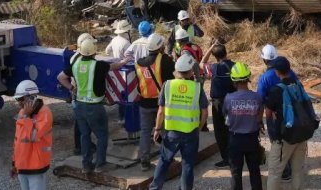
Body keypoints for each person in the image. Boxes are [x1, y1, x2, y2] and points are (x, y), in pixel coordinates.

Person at [57, 38, 130, 172]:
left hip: (79, 105)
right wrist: (125, 61)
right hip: (94, 107)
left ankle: (86, 165)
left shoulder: (76, 64)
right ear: (94, 52)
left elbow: (60, 77)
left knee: (84, 135)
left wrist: (71, 88)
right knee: (102, 135)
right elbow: (115, 66)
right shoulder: (98, 65)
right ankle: (101, 164)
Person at [149, 53, 209, 190]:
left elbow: (161, 111)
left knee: (164, 161)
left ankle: (155, 188)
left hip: (171, 133)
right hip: (191, 133)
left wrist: (157, 129)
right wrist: (199, 128)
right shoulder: (197, 88)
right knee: (187, 165)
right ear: (190, 71)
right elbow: (205, 112)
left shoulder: (168, 85)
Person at [265, 57, 317, 190]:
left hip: (285, 138)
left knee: (275, 172)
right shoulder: (299, 85)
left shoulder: (276, 90)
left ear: (277, 72)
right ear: (289, 69)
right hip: (302, 134)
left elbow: (268, 113)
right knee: (297, 170)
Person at [134, 33, 175, 171]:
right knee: (165, 132)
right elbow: (172, 79)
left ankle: (144, 162)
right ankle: (168, 159)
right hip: (161, 105)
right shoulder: (165, 60)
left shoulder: (138, 63)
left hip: (144, 104)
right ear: (160, 47)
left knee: (145, 133)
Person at [256, 44, 297, 181]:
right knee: (289, 139)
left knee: (277, 143)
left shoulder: (264, 78)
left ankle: (285, 172)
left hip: (273, 116)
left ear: (264, 60)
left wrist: (259, 120)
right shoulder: (290, 72)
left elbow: (260, 101)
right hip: (291, 113)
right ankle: (292, 167)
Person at [224, 62, 264, 190]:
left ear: (233, 81)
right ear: (248, 79)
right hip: (252, 139)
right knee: (254, 170)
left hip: (235, 139)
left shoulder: (228, 98)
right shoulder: (256, 97)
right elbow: (259, 114)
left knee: (236, 173)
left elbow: (225, 114)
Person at [10, 80, 53, 190]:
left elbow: (33, 136)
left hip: (36, 167)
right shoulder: (23, 112)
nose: (19, 103)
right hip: (22, 166)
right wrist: (14, 163)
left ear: (31, 97)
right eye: (17, 99)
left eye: (20, 99)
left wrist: (25, 116)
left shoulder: (45, 113)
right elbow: (18, 141)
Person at [201, 40, 236, 168]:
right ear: (226, 52)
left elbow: (202, 63)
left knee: (220, 131)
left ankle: (226, 158)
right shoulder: (236, 66)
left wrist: (211, 47)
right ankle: (236, 155)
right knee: (232, 129)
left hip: (218, 104)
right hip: (233, 101)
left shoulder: (213, 68)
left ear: (215, 56)